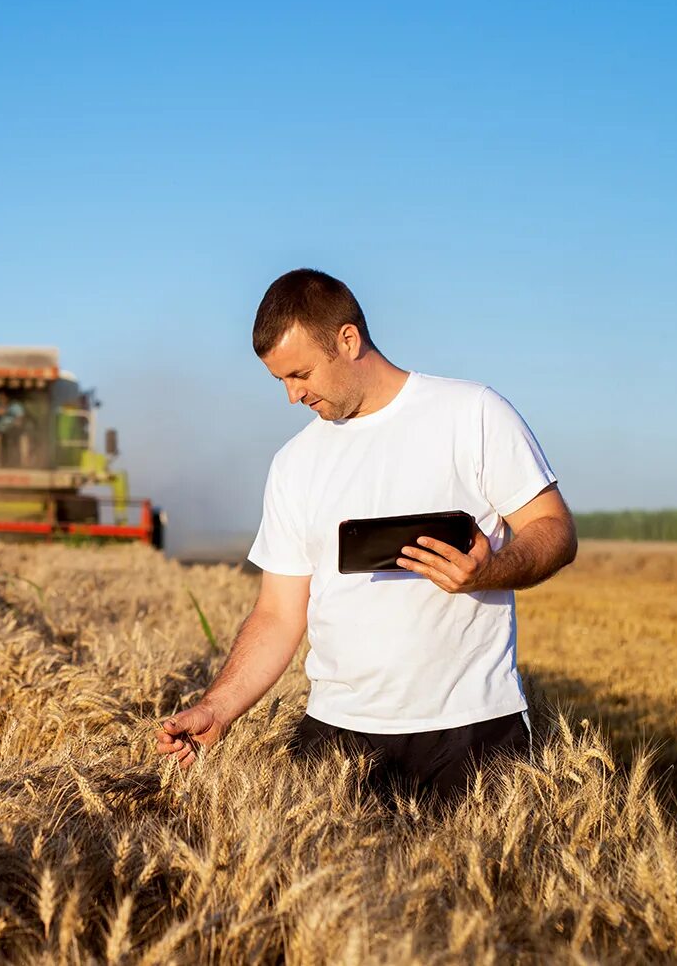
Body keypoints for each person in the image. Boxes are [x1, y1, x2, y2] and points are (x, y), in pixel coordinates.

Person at [153, 269, 577, 806]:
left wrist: (490, 571)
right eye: (280, 380)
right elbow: (278, 614)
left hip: (473, 730)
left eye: (300, 374)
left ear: (348, 340)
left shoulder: (471, 413)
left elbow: (555, 530)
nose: (292, 396)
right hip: (337, 737)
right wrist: (217, 707)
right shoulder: (294, 464)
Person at [0, 392, 30, 467]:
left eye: (3, 398)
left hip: (14, 429)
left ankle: (25, 460)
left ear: (7, 398)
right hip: (0, 429)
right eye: (0, 398)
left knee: (24, 437)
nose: (1, 400)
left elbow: (21, 419)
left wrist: (14, 420)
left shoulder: (16, 406)